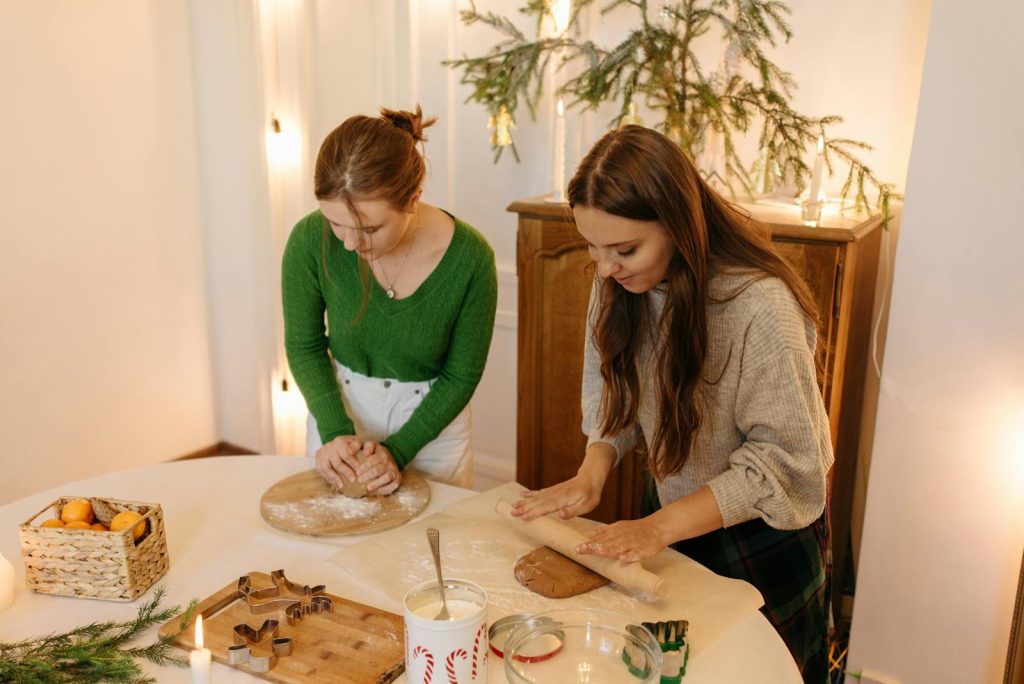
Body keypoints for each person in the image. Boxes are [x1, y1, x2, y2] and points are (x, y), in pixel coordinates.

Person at [511, 126, 833, 682]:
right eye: (592, 246)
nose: (605, 267)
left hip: (761, 537)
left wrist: (660, 527)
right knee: (667, 673)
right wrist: (594, 471)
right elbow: (612, 389)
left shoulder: (759, 306)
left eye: (625, 249)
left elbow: (791, 462)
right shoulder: (619, 281)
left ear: (679, 224)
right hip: (666, 516)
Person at [282, 106, 497, 494]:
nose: (349, 243)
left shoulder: (471, 257)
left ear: (413, 199)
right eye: (334, 223)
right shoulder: (308, 241)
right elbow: (304, 345)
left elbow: (461, 374)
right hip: (339, 410)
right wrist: (335, 434)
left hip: (432, 429)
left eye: (369, 228)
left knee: (432, 545)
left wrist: (397, 450)